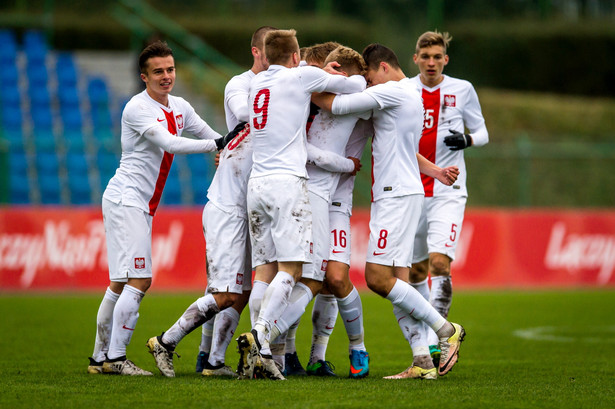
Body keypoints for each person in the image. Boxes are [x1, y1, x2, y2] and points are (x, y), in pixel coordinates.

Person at [312, 43, 465, 380]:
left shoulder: (392, 92)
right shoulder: (409, 93)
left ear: (381, 67)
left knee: (376, 279)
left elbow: (336, 105)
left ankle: (445, 328)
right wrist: (436, 171)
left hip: (395, 196)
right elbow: (406, 148)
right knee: (398, 281)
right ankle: (422, 361)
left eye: (368, 77)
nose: (366, 84)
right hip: (402, 193)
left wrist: (301, 85)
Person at [87, 40, 238, 376]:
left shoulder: (180, 106)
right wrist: (217, 145)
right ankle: (115, 358)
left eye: (170, 69)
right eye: (158, 71)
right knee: (139, 280)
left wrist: (227, 145)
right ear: (144, 76)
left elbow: (210, 133)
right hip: (127, 199)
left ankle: (100, 359)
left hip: (136, 202)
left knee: (119, 282)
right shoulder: (137, 108)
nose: (166, 76)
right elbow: (171, 142)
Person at [236, 29, 368, 380]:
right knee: (300, 274)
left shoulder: (256, 85)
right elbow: (356, 87)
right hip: (288, 185)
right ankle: (263, 339)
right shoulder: (301, 77)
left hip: (256, 185)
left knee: (263, 272)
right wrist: (336, 76)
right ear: (296, 56)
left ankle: (265, 353)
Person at [389, 31, 488, 380]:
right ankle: (430, 348)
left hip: (449, 189)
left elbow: (483, 132)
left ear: (446, 60)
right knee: (414, 273)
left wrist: (468, 139)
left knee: (439, 262)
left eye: (437, 56)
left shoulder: (463, 90)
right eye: (425, 56)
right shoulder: (405, 91)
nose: (431, 62)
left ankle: (437, 342)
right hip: (414, 190)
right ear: (415, 59)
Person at [194, 25, 277, 378]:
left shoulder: (279, 86)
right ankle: (199, 354)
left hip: (254, 201)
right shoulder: (239, 84)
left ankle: (213, 358)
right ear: (255, 52)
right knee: (224, 288)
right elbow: (246, 113)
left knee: (238, 290)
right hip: (229, 200)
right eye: (268, 50)